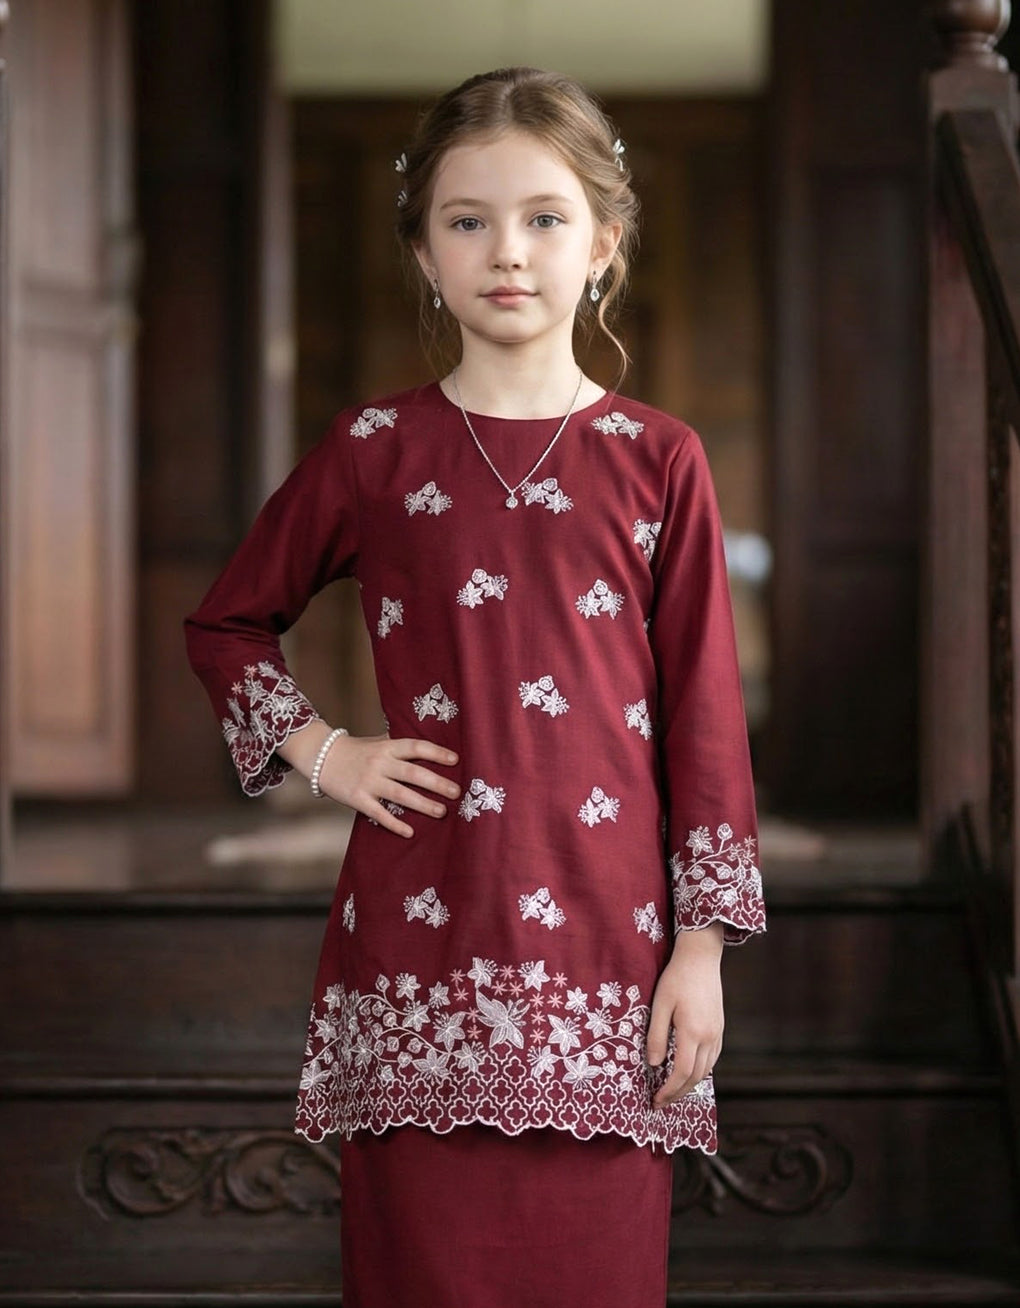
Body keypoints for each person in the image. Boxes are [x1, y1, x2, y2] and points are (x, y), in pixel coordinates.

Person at [184, 66, 766, 1308]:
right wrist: (328, 752)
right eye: (468, 220)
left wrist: (701, 949)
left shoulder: (661, 460)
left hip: (614, 947)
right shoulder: (373, 451)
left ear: (603, 245)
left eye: (545, 217)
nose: (508, 250)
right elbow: (226, 624)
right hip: (420, 933)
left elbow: (707, 718)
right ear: (424, 252)